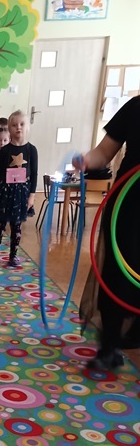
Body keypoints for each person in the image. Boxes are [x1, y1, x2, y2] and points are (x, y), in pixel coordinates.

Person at [77, 95, 140, 370]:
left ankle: (133, 333)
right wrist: (85, 160)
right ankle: (109, 347)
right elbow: (103, 153)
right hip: (128, 206)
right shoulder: (135, 108)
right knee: (117, 274)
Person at [0, 111, 37, 268]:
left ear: (27, 127)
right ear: (9, 128)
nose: (18, 128)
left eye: (22, 124)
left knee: (16, 226)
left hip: (21, 193)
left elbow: (34, 174)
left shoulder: (31, 150)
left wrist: (32, 196)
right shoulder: (5, 150)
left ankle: (13, 255)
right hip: (4, 192)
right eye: (14, 125)